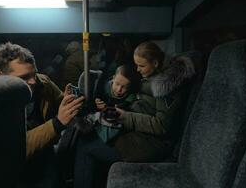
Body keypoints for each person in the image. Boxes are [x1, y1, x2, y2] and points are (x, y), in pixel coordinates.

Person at [74, 41, 193, 188]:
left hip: (152, 143)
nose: (137, 69)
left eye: (141, 66)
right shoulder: (150, 76)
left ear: (155, 63)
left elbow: (162, 126)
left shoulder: (167, 87)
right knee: (86, 135)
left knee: (86, 147)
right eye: (136, 65)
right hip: (138, 130)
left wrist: (126, 116)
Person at [0, 42, 84, 187]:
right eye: (23, 78)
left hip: (44, 156)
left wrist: (66, 102)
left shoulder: (42, 82)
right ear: (0, 76)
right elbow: (13, 149)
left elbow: (59, 100)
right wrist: (57, 123)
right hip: (10, 169)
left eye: (34, 74)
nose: (33, 81)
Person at [94, 64, 139, 143]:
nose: (119, 90)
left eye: (124, 87)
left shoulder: (131, 97)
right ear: (113, 78)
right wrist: (96, 103)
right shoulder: (102, 87)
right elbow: (95, 99)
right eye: (117, 84)